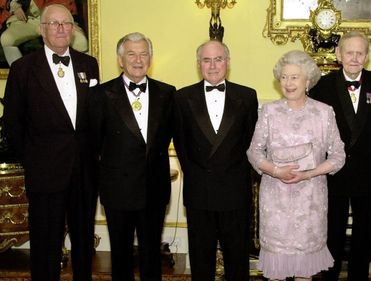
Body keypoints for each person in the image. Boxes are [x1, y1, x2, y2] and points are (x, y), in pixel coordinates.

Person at [3, 4, 99, 281]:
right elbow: (13, 122)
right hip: (45, 173)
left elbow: (94, 116)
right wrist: (33, 159)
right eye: (54, 24)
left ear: (73, 28)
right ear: (42, 30)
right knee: (45, 245)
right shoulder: (23, 68)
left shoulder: (87, 64)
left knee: (83, 244)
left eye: (66, 23)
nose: (60, 28)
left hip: (83, 172)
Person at [247, 50, 346, 281]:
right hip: (276, 200)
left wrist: (308, 174)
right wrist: (275, 170)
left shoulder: (324, 113)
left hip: (311, 201)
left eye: (294, 77)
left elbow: (338, 156)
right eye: (284, 77)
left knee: (304, 273)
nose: (288, 83)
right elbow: (253, 151)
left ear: (308, 81)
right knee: (276, 272)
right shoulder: (269, 112)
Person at [87, 32, 176, 281]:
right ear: (120, 60)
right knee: (121, 257)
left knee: (152, 257)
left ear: (151, 58)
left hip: (154, 189)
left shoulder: (168, 94)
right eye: (131, 54)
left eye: (143, 53)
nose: (138, 59)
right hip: (118, 190)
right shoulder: (100, 96)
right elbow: (92, 146)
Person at [173, 39, 258, 281]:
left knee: (237, 260)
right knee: (201, 261)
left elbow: (252, 144)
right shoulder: (182, 98)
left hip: (235, 192)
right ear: (199, 64)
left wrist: (239, 178)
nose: (213, 65)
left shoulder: (247, 96)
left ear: (228, 63)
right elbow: (181, 145)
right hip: (200, 192)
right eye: (207, 60)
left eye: (218, 59)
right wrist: (198, 178)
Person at [309, 31, 371, 281]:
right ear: (338, 54)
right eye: (349, 52)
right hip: (334, 174)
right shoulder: (321, 86)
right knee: (332, 234)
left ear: (367, 56)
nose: (354, 58)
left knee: (364, 235)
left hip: (369, 173)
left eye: (360, 53)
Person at [1, 0, 88, 66]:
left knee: (81, 42)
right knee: (7, 39)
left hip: (56, 15)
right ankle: (21, 78)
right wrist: (12, 3)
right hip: (29, 18)